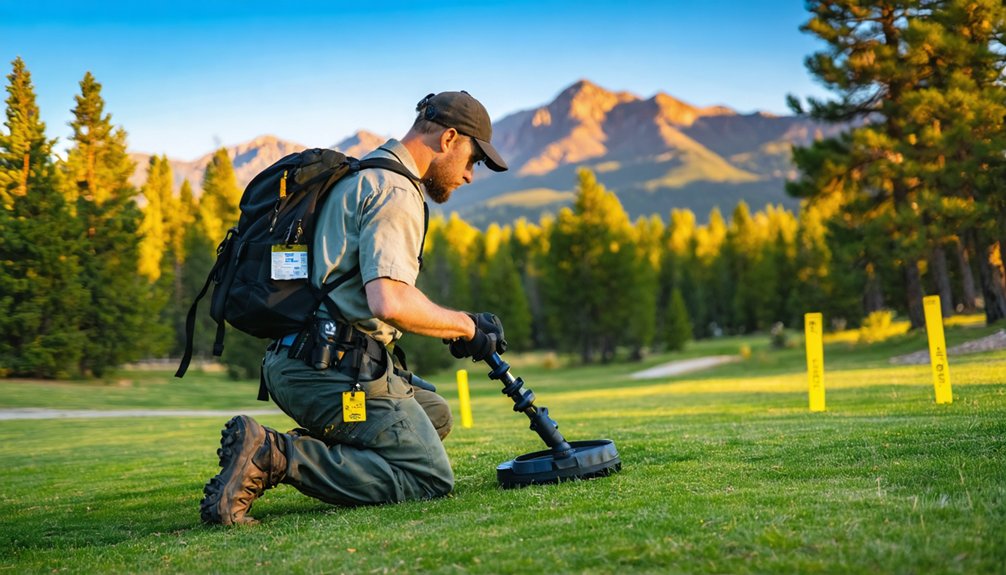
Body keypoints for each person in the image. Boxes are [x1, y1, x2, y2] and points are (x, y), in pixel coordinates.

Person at [200, 91, 510, 525]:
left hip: (303, 358)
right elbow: (390, 299)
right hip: (330, 370)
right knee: (429, 477)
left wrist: (453, 329)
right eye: (472, 159)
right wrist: (465, 326)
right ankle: (273, 454)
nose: (470, 175)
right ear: (449, 139)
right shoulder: (396, 191)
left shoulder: (363, 173)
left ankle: (283, 452)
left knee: (433, 415)